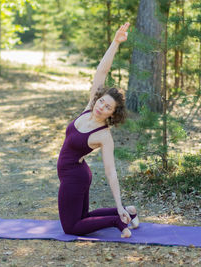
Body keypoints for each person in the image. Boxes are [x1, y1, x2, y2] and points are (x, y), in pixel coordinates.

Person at [57, 22, 139, 238]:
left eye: (107, 107)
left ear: (112, 114)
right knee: (83, 216)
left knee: (71, 227)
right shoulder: (88, 108)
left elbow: (111, 172)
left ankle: (116, 220)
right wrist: (115, 42)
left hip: (74, 176)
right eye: (102, 101)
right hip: (74, 174)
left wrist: (117, 201)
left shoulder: (103, 135)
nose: (101, 106)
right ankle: (128, 214)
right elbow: (102, 71)